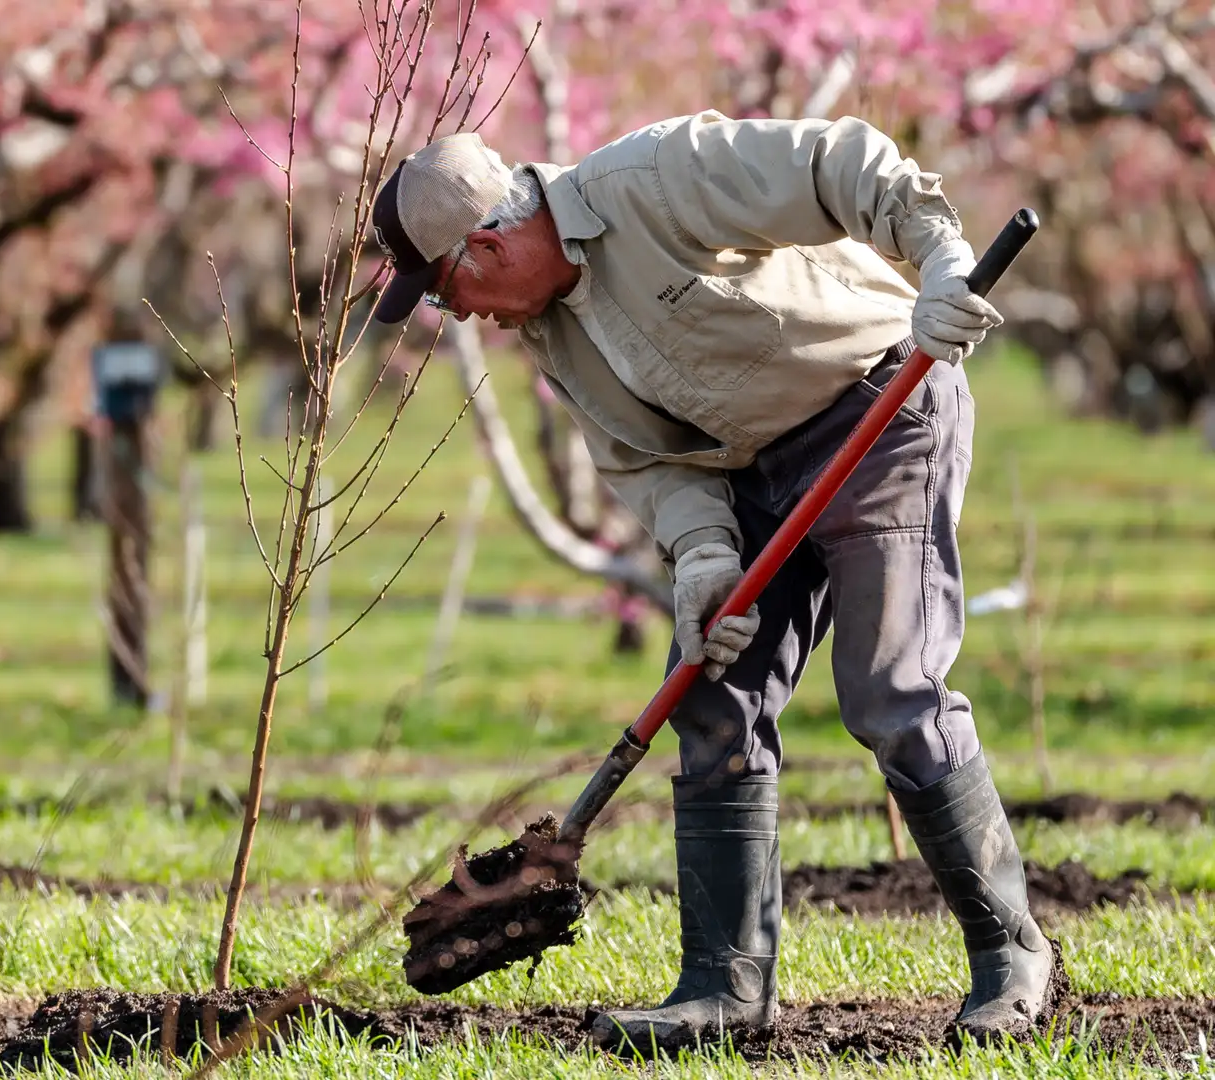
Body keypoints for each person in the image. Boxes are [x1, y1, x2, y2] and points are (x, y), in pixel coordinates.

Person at [369, 112, 1055, 1054]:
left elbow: (836, 161)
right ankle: (723, 988)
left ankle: (1011, 954)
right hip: (752, 475)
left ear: (486, 244)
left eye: (447, 294)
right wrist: (703, 560)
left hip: (883, 408)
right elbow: (646, 460)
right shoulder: (550, 333)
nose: (464, 319)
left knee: (893, 691)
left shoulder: (656, 176)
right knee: (711, 697)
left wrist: (940, 262)